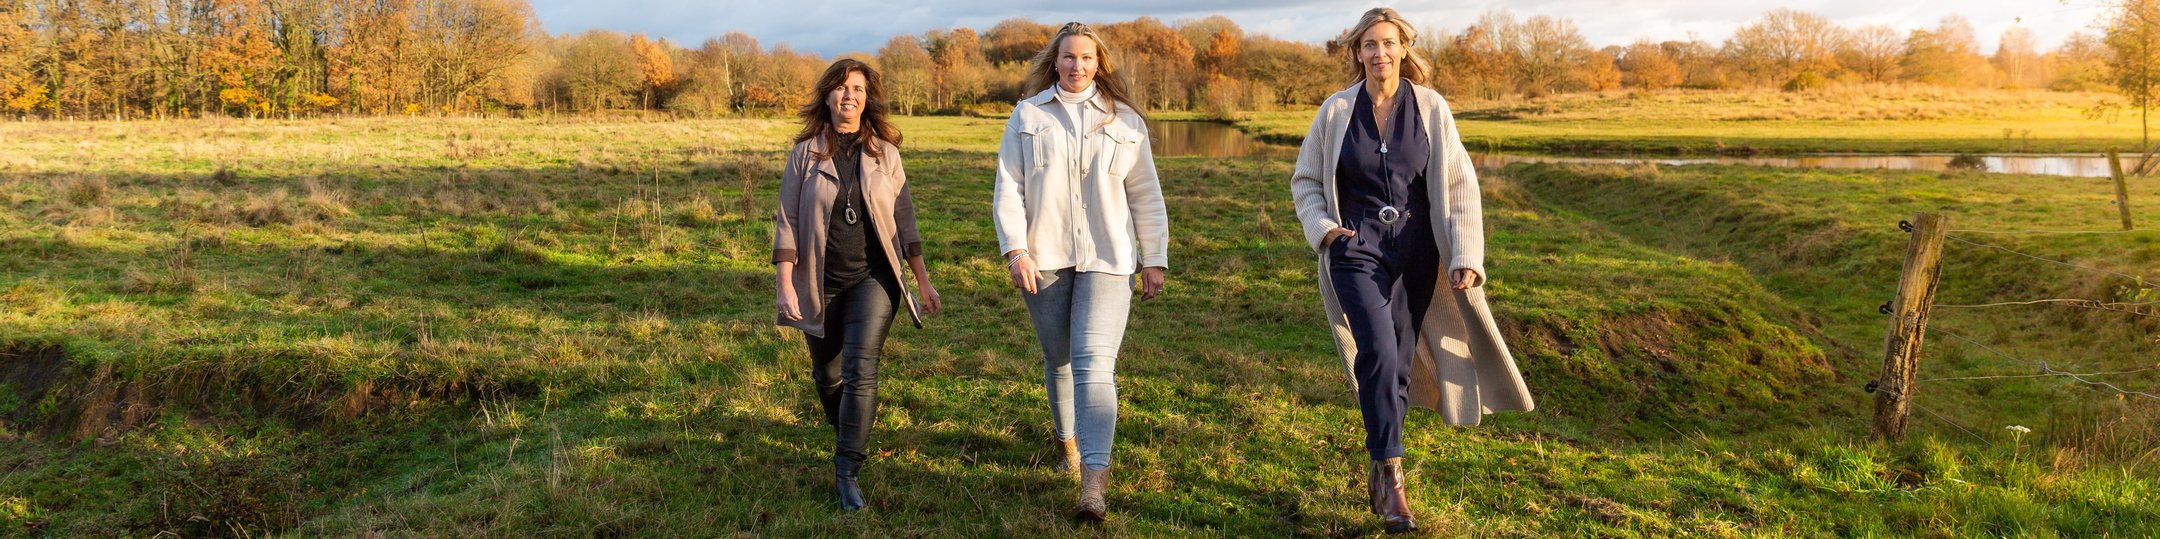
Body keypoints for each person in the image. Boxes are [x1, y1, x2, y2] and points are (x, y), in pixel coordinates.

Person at [1286, 8, 1535, 534]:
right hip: (1356, 248)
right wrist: (1325, 230)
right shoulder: (1334, 113)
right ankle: (1393, 474)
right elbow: (1305, 181)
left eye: (1389, 43)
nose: (1380, 53)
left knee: (1398, 359)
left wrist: (1466, 254)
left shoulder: (1431, 107)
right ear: (1357, 53)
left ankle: (1380, 464)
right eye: (1369, 45)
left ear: (1404, 49)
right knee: (1374, 348)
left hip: (1418, 250)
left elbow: (1460, 183)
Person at [991, 21, 1169, 522]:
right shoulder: (1027, 115)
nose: (1077, 66)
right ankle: (1066, 439)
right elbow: (1009, 189)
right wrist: (1015, 251)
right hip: (1042, 260)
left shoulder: (1126, 121)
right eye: (1068, 57)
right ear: (1055, 62)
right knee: (1060, 358)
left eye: (1087, 58)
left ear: (1099, 63)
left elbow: (1146, 195)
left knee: (1095, 365)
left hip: (1109, 261)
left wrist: (1154, 257)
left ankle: (1093, 483)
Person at [772, 58, 942, 512]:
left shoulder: (885, 151)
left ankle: (847, 470)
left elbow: (905, 220)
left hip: (874, 278)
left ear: (868, 99)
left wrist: (922, 280)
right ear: (828, 95)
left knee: (860, 369)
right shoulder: (804, 153)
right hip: (818, 281)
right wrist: (785, 284)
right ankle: (848, 427)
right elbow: (788, 221)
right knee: (828, 377)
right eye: (843, 88)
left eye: (859, 89)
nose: (850, 96)